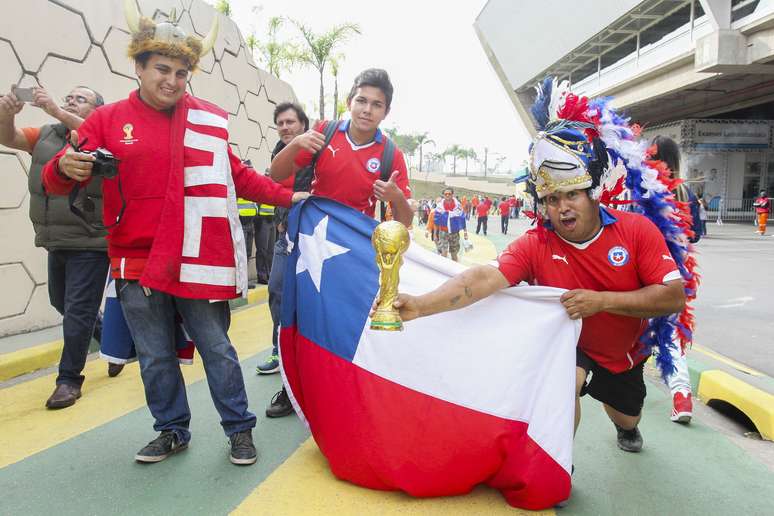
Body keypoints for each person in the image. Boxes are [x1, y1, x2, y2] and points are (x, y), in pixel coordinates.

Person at [42, 9, 307, 465]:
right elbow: (59, 176)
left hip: (195, 257)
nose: (173, 80)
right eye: (162, 70)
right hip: (134, 261)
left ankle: (239, 429)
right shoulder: (106, 119)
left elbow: (238, 176)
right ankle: (171, 430)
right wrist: (63, 167)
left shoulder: (206, 120)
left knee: (218, 350)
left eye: (181, 73)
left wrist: (291, 197)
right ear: (139, 67)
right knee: (155, 356)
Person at [382, 83, 687, 455]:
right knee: (563, 388)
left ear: (591, 192)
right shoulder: (536, 242)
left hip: (623, 351)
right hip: (567, 344)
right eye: (551, 199)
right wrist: (421, 305)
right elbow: (482, 279)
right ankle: (557, 465)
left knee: (627, 415)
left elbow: (673, 296)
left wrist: (601, 302)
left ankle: (624, 424)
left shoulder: (636, 230)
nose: (562, 208)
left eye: (571, 194)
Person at [267, 68, 412, 416]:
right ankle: (291, 386)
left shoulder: (391, 154)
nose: (367, 109)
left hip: (353, 251)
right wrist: (296, 144)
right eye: (361, 100)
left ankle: (337, 387)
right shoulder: (323, 132)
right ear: (349, 102)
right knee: (292, 311)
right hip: (307, 241)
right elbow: (276, 175)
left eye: (376, 104)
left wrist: (395, 197)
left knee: (338, 318)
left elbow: (404, 224)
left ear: (385, 112)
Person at [0, 84, 113, 408]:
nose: (71, 102)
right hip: (56, 239)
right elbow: (9, 137)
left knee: (77, 312)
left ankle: (68, 380)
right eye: (69, 97)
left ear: (97, 111)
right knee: (61, 302)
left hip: (91, 240)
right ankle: (114, 343)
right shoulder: (47, 134)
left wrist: (55, 109)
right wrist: (5, 116)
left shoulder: (102, 136)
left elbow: (97, 137)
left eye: (82, 99)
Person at [256, 101, 309, 383]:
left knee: (309, 297)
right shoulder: (279, 152)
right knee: (276, 290)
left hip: (314, 238)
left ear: (303, 124)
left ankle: (310, 353)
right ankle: (280, 350)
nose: (286, 127)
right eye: (281, 123)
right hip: (284, 235)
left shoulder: (318, 151)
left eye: (291, 122)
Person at [649, 135, 699, 423]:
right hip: (677, 271)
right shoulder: (684, 194)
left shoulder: (643, 187)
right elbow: (696, 234)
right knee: (671, 334)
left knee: (633, 327)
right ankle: (682, 399)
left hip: (645, 269)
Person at [431, 188, 467, 261]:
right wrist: (435, 235)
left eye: (449, 194)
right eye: (445, 194)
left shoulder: (458, 206)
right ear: (443, 195)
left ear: (452, 195)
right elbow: (436, 222)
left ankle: (454, 270)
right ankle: (443, 269)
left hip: (454, 233)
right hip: (443, 232)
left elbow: (462, 219)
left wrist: (465, 232)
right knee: (444, 252)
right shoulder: (439, 207)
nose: (447, 195)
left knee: (454, 254)